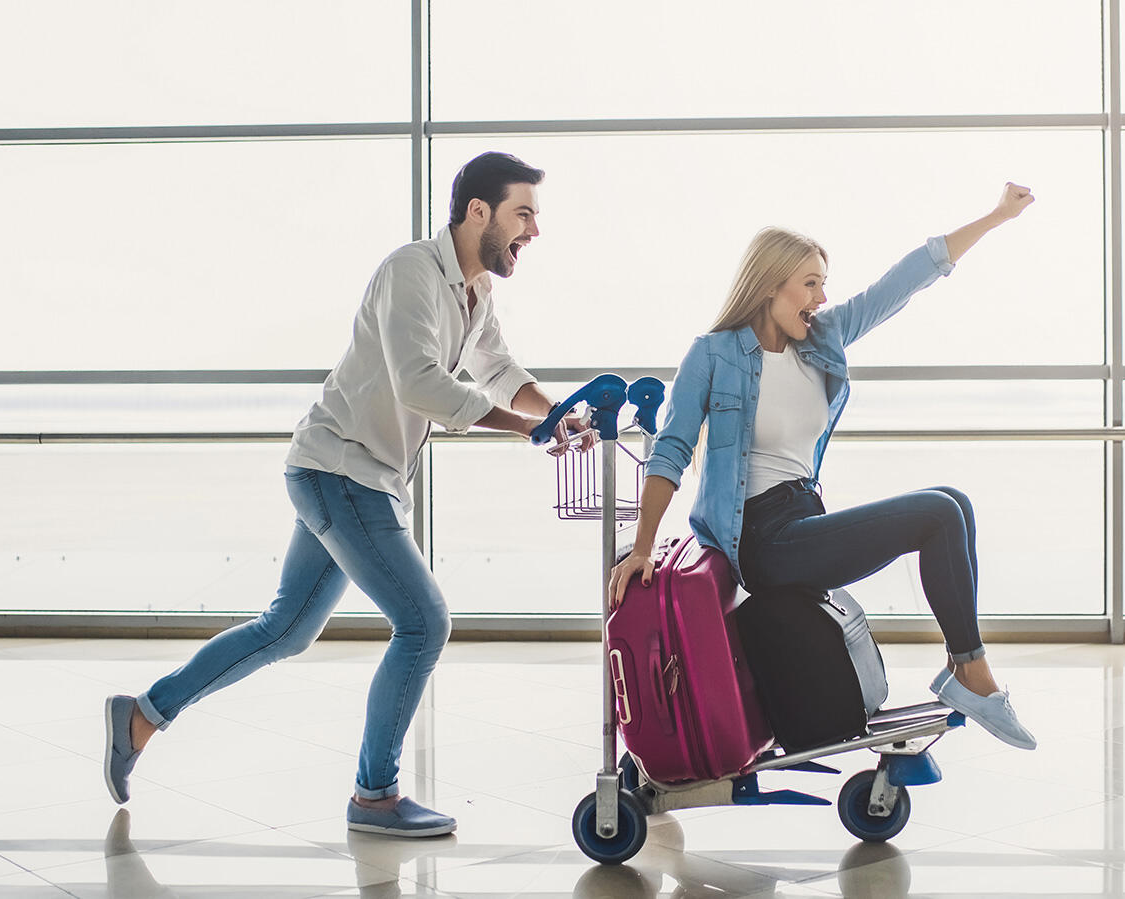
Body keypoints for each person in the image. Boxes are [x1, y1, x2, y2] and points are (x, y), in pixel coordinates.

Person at [105, 151, 594, 835]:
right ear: (477, 211)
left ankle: (142, 713)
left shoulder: (476, 292)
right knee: (424, 623)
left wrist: (555, 413)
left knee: (285, 629)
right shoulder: (412, 272)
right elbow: (420, 383)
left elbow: (499, 368)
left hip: (349, 473)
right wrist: (525, 427)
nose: (534, 231)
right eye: (524, 213)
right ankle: (374, 795)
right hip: (343, 470)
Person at [609, 183, 1039, 750]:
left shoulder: (822, 339)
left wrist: (995, 217)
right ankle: (971, 673)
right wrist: (641, 548)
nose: (819, 297)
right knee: (937, 512)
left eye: (822, 284)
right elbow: (670, 451)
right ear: (770, 287)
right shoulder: (712, 354)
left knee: (951, 501)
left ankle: (966, 669)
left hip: (801, 517)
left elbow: (906, 279)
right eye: (809, 283)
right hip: (761, 540)